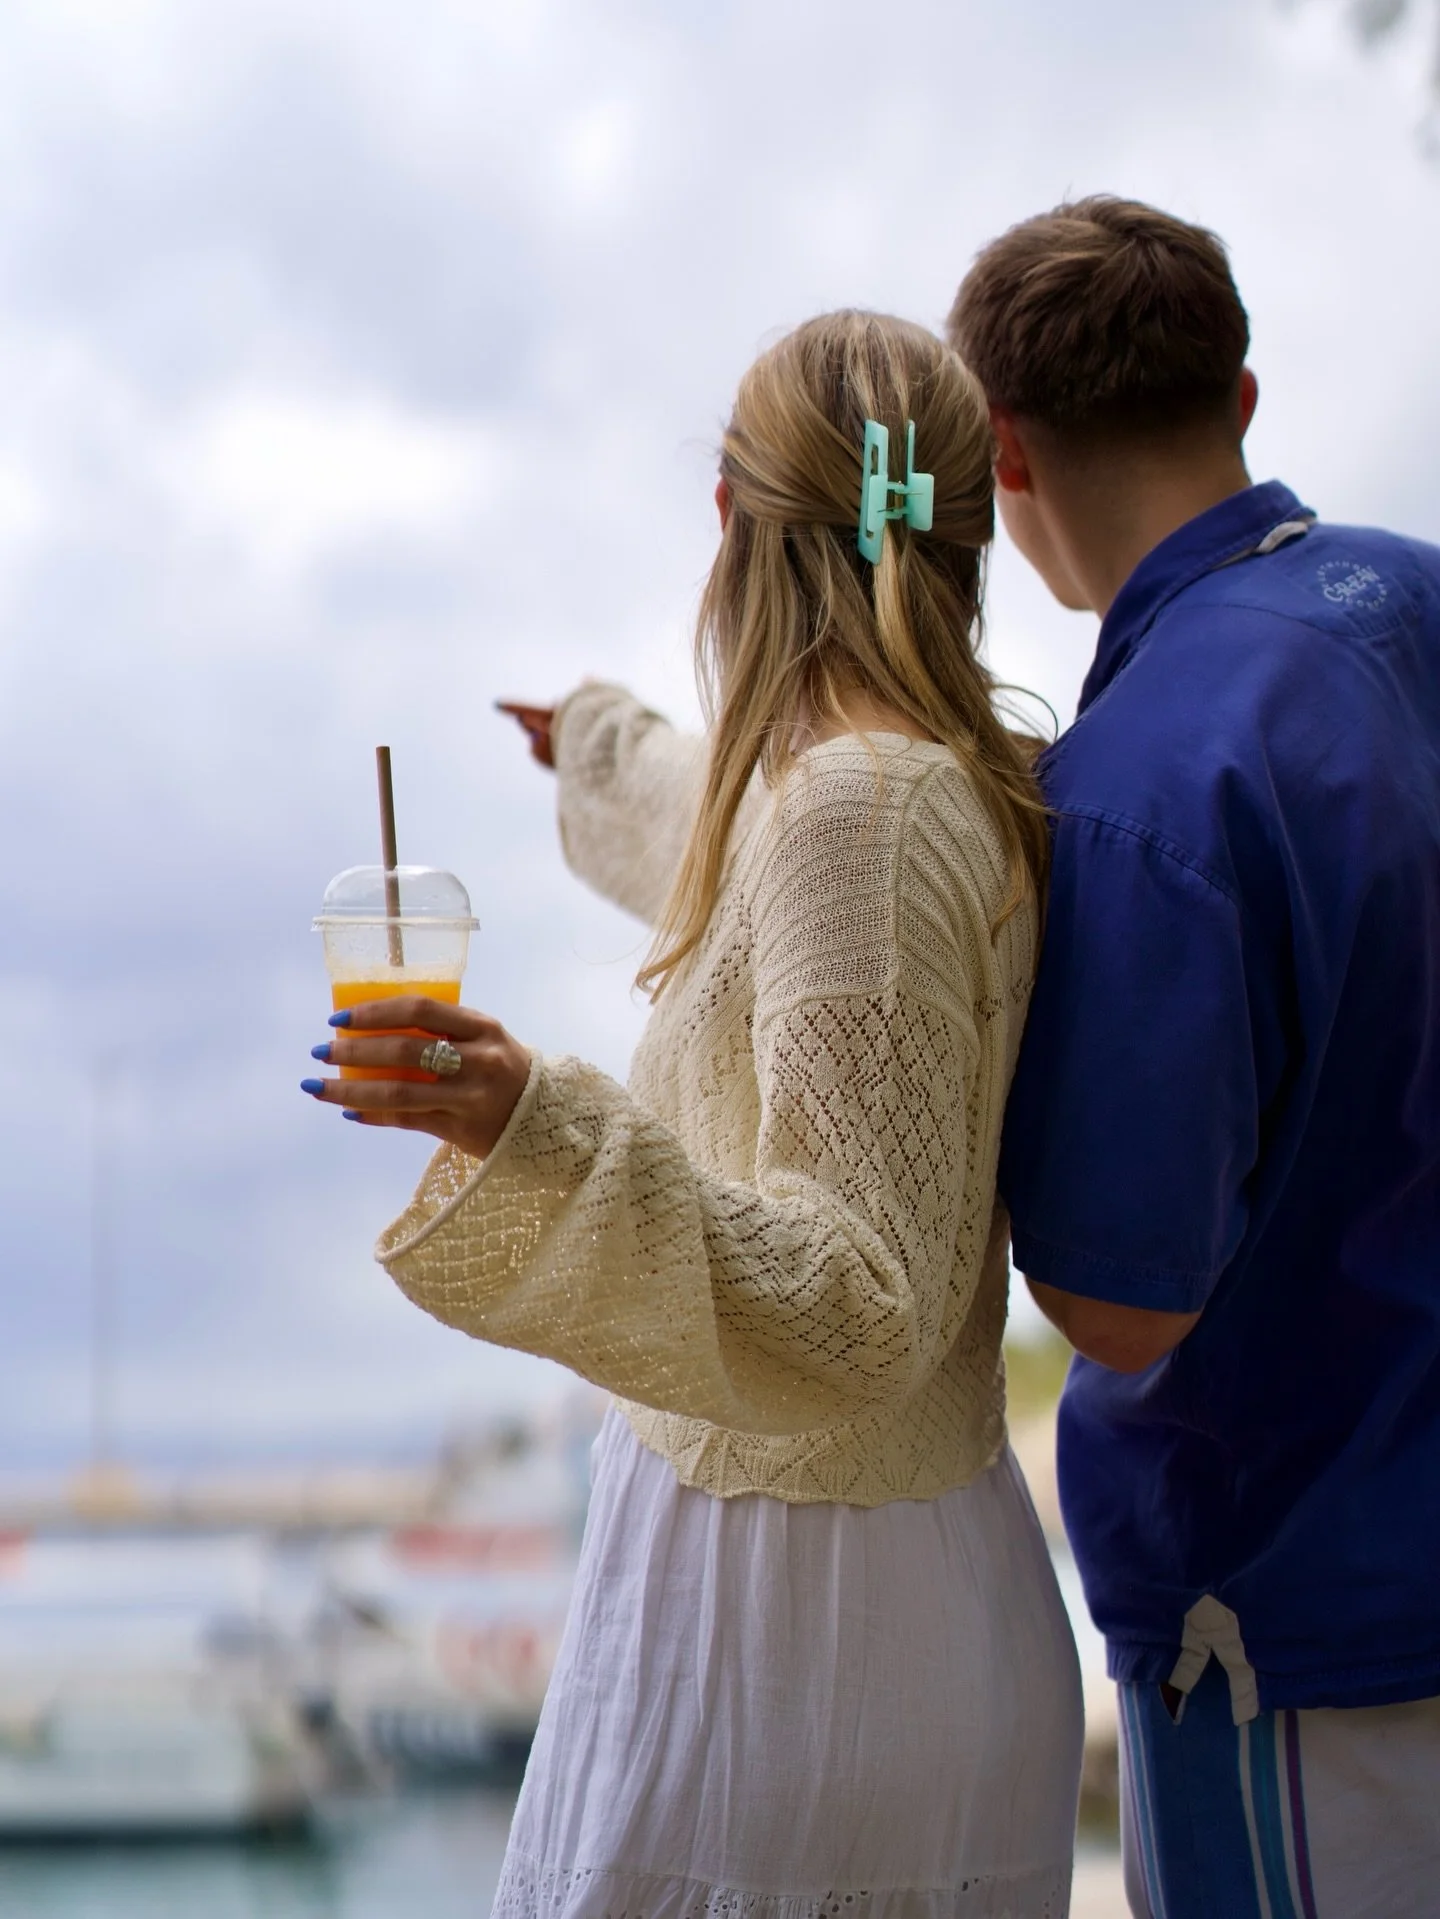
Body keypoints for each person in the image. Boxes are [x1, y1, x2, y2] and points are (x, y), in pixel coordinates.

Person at [301, 310, 1083, 1917]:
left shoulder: (852, 820)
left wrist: (535, 1120)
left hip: (786, 1630)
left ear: (729, 525)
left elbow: (862, 1297)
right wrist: (601, 744)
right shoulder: (947, 779)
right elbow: (764, 911)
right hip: (895, 1592)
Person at [948, 196, 1440, 1918]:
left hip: (1313, 1626)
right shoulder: (1418, 600)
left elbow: (1125, 1304)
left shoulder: (1140, 780)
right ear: (1241, 391)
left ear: (1004, 450)